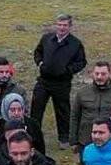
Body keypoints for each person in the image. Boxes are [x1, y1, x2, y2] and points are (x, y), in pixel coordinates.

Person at [31, 14, 87, 148]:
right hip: (43, 81)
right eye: (59, 25)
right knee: (36, 109)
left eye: (65, 25)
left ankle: (64, 139)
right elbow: (38, 52)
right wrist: (40, 63)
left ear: (70, 26)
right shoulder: (46, 38)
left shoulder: (75, 44)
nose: (62, 28)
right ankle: (32, 136)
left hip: (62, 84)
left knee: (63, 111)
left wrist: (67, 70)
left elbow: (81, 62)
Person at [71, 62, 111, 152]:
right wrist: (73, 140)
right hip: (85, 141)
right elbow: (75, 116)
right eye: (97, 73)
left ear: (110, 74)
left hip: (110, 142)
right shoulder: (82, 93)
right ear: (92, 74)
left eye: (103, 74)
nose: (99, 77)